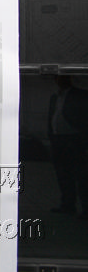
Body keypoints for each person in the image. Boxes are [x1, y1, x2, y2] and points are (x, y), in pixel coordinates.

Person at [48, 75, 88, 219]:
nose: (59, 80)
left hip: (74, 139)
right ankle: (68, 204)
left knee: (80, 175)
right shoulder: (55, 97)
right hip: (58, 139)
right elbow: (52, 117)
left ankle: (85, 208)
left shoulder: (80, 95)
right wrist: (51, 136)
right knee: (63, 174)